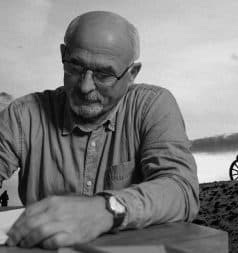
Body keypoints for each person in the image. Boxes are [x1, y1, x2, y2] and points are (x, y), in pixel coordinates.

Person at [0, 11, 199, 249]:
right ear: (63, 55)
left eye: (104, 75)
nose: (85, 87)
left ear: (132, 74)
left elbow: (181, 189)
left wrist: (108, 209)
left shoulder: (153, 106)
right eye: (74, 66)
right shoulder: (23, 115)